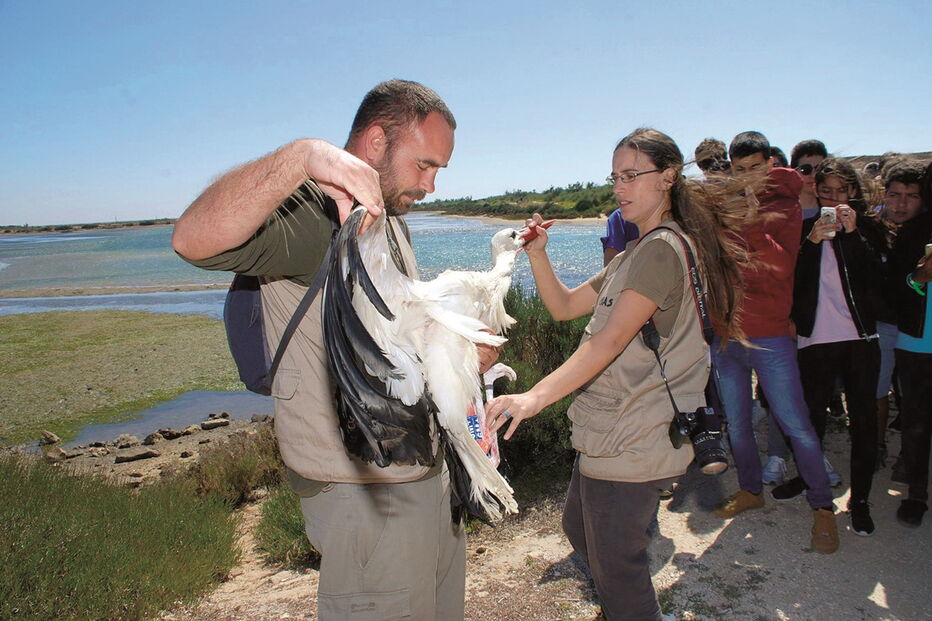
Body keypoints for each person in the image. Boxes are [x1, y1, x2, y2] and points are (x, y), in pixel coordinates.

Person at [173, 79, 469, 620]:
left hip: (423, 476)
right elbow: (192, 238)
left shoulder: (389, 220)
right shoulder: (314, 214)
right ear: (376, 141)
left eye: (438, 171)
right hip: (363, 494)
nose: (431, 185)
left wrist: (462, 359)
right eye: (425, 165)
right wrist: (302, 156)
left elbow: (391, 340)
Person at [485, 128, 753, 621]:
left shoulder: (659, 252)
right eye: (615, 177)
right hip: (611, 429)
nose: (620, 188)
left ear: (668, 177)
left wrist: (534, 398)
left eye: (632, 176)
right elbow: (565, 306)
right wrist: (540, 254)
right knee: (581, 530)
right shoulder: (637, 251)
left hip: (636, 431)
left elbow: (607, 343)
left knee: (617, 565)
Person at [711, 131, 837, 552]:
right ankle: (750, 490)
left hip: (770, 335)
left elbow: (778, 267)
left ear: (769, 164)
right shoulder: (724, 206)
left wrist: (744, 218)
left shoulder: (787, 204)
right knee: (738, 424)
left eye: (754, 168)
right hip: (727, 334)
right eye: (739, 169)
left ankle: (823, 508)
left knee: (796, 424)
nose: (746, 177)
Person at [775, 158, 886, 537]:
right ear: (816, 193)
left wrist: (852, 236)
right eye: (827, 192)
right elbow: (790, 281)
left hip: (860, 339)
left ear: (853, 193)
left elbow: (879, 281)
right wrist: (811, 243)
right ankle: (808, 479)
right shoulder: (804, 229)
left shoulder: (869, 227)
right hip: (814, 337)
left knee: (865, 422)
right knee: (810, 420)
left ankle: (861, 500)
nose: (835, 199)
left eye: (843, 191)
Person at [875, 160, 926, 469]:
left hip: (915, 331)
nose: (902, 203)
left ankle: (911, 454)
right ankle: (877, 446)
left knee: (913, 399)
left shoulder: (924, 234)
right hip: (880, 325)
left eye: (912, 195)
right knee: (877, 391)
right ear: (884, 194)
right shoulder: (870, 228)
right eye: (895, 195)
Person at [889, 160, 932, 527]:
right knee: (917, 422)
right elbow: (895, 293)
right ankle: (917, 493)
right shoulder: (913, 232)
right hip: (918, 342)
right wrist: (919, 276)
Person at [790, 139, 828, 219]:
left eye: (819, 169)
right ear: (794, 172)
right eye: (805, 169)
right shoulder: (783, 212)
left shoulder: (833, 208)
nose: (813, 175)